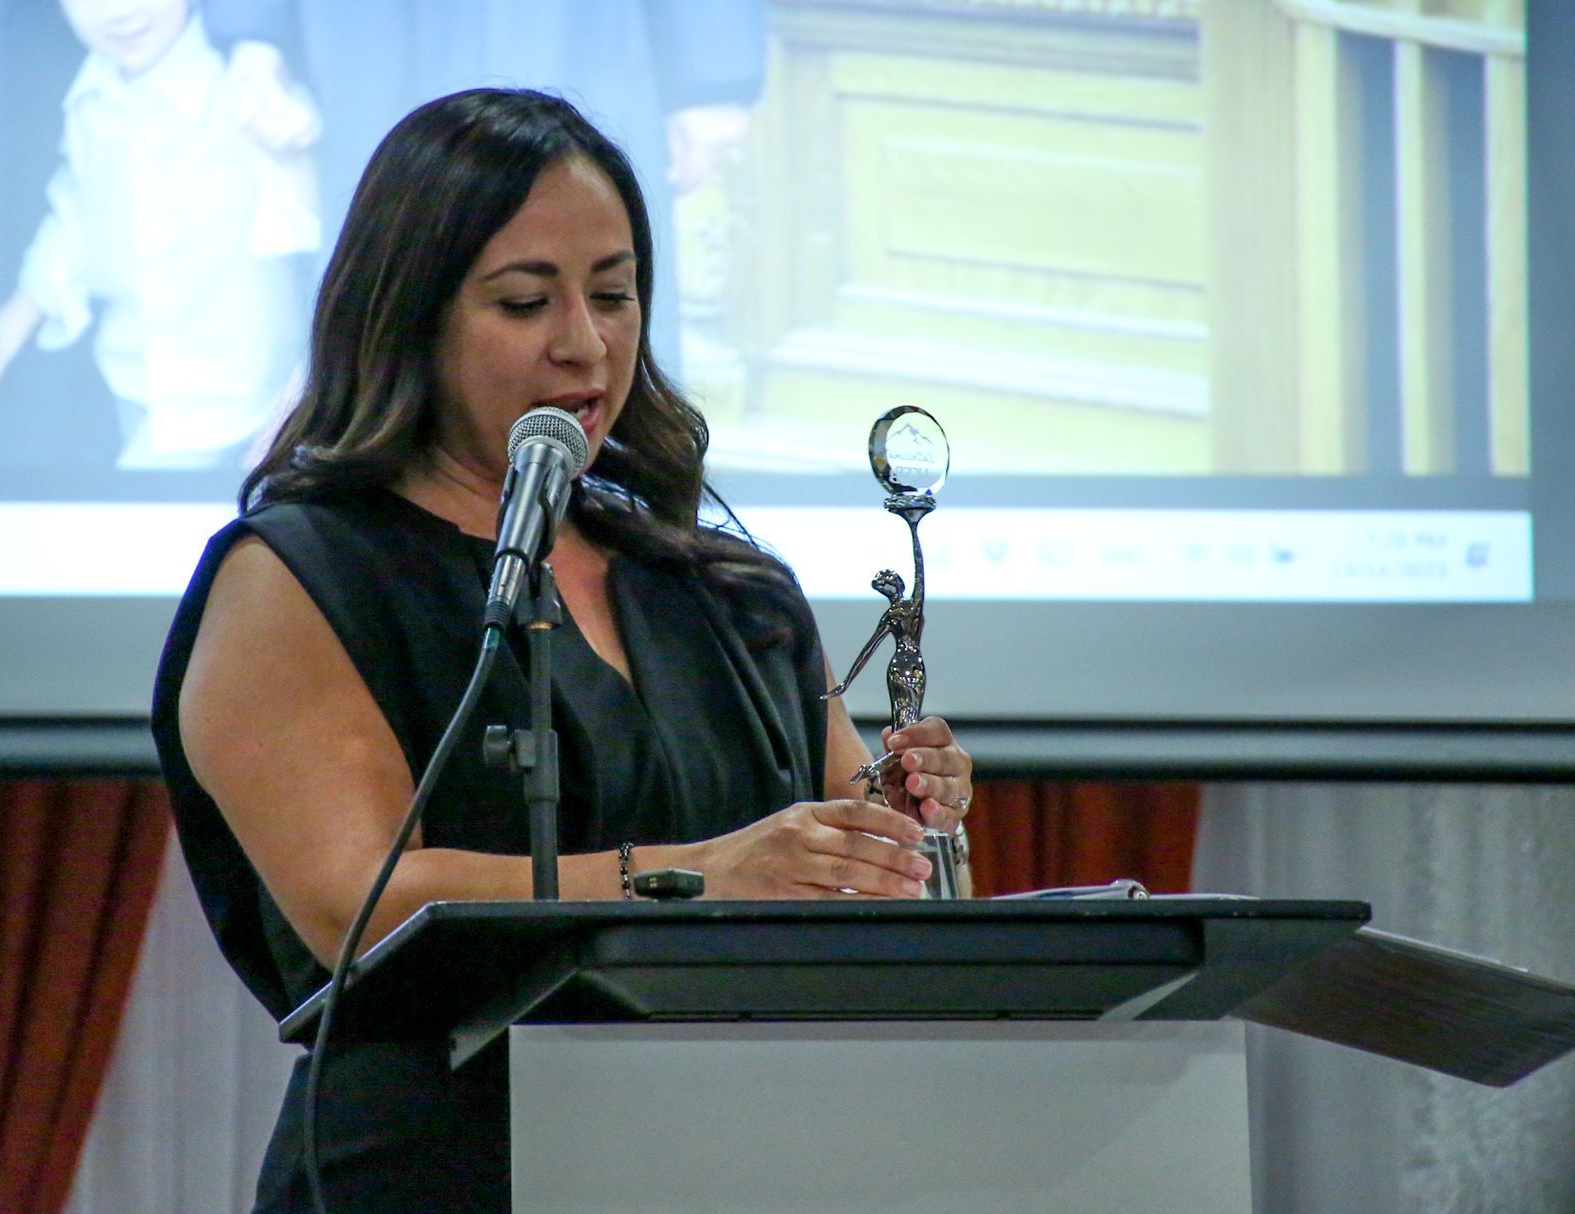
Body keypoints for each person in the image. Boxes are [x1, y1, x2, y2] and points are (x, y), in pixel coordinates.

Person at [152, 88, 976, 1212]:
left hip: (747, 1156)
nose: (585, 343)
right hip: (434, 1168)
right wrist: (703, 878)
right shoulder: (297, 576)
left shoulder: (727, 587)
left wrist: (899, 826)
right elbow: (363, 905)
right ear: (408, 314)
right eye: (526, 299)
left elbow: (841, 869)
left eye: (616, 293)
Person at [0, 0, 319, 469]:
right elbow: (76, 217)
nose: (119, 12)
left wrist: (290, 147)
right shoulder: (87, 97)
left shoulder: (248, 87)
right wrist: (18, 315)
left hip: (243, 397)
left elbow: (308, 234)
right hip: (134, 385)